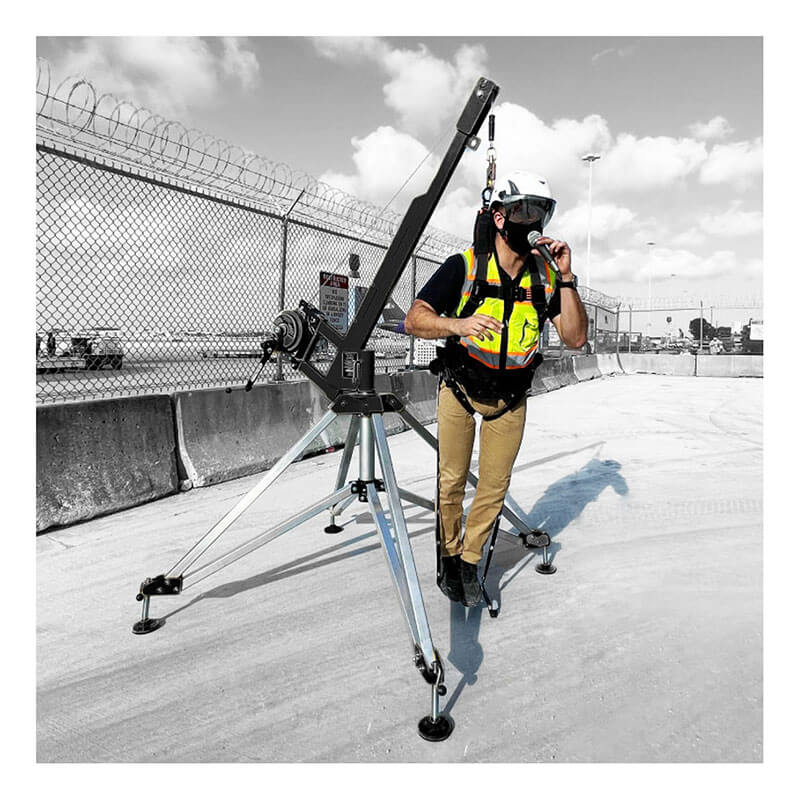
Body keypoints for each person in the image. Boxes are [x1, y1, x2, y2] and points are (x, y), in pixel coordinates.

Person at [404, 172, 588, 606]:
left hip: (511, 398)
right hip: (461, 390)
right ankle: (448, 555)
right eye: (527, 209)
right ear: (501, 217)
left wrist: (566, 277)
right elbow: (415, 319)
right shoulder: (464, 266)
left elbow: (576, 338)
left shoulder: (544, 278)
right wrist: (457, 324)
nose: (535, 220)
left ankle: (470, 561)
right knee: (451, 481)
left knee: (493, 485)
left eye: (543, 210)